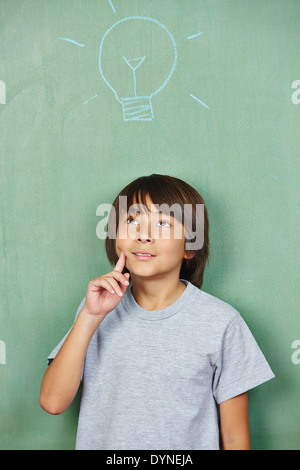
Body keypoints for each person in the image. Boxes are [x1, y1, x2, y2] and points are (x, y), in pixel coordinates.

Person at [39, 174, 275, 450]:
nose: (143, 235)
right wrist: (90, 317)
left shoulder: (221, 322)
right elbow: (52, 402)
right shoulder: (95, 309)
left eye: (163, 223)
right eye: (131, 221)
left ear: (190, 247)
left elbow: (235, 439)